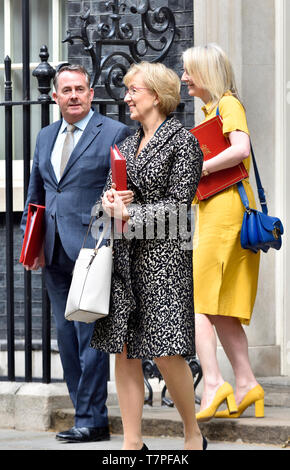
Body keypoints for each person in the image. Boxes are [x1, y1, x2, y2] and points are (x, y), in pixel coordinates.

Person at [90, 61, 206, 451]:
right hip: (125, 260)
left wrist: (130, 213)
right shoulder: (123, 144)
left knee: (167, 351)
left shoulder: (183, 142)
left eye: (132, 90)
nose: (126, 98)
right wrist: (108, 202)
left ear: (155, 95)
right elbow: (107, 198)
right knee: (123, 350)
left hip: (165, 259)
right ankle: (132, 443)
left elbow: (178, 209)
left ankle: (192, 434)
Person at [21, 64, 131, 442]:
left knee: (90, 336)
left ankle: (92, 418)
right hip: (51, 249)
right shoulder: (45, 136)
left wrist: (109, 242)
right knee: (66, 338)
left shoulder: (115, 133)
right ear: (55, 96)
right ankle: (83, 412)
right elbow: (35, 193)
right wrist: (30, 242)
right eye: (65, 90)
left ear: (91, 92)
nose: (72, 95)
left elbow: (121, 193)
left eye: (79, 89)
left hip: (91, 248)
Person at [181, 43, 264, 422]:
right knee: (223, 310)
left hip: (225, 213)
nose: (184, 78)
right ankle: (247, 385)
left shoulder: (228, 104)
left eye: (188, 71)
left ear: (205, 74)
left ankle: (213, 384)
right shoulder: (214, 109)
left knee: (199, 302)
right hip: (221, 210)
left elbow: (240, 149)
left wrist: (202, 167)